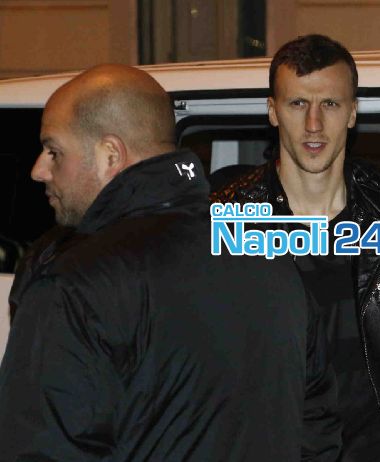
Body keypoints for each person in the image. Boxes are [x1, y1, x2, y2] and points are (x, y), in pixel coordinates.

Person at [0, 64, 340, 461]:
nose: (39, 170)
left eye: (54, 151)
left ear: (110, 155)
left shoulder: (75, 284)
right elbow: (317, 431)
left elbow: (39, 450)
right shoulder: (270, 258)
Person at [212, 34, 380, 462]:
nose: (314, 124)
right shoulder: (227, 215)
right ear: (272, 110)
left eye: (330, 104)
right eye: (297, 103)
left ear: (353, 112)